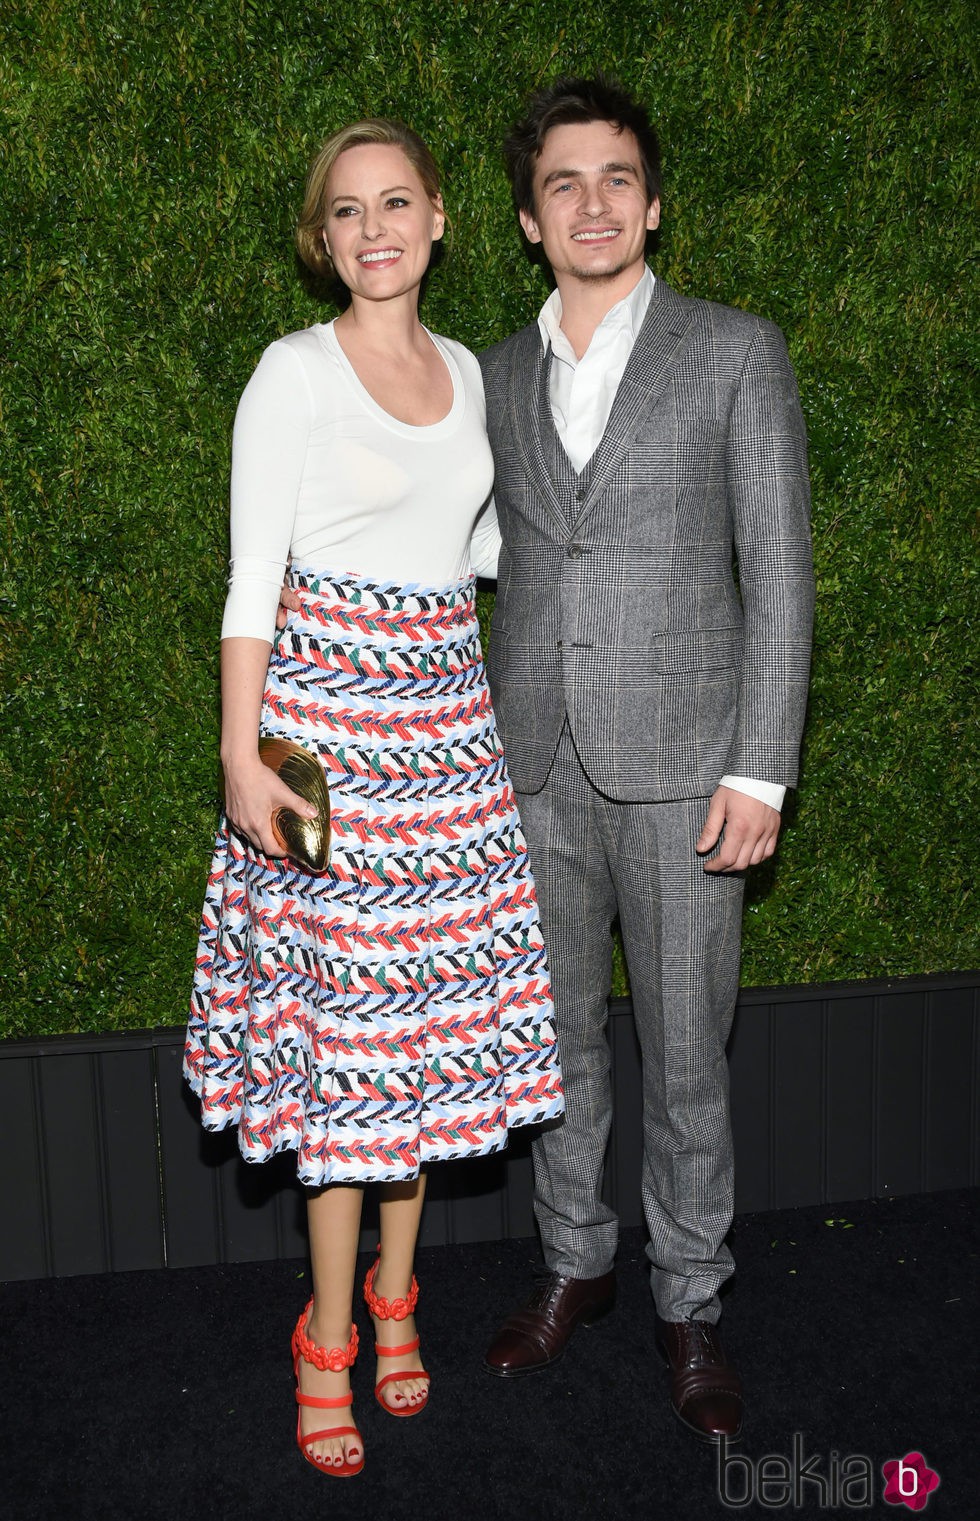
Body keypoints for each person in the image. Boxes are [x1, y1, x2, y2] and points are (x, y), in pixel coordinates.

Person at [184, 118, 563, 1480]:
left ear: (444, 217)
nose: (376, 227)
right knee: (346, 1064)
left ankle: (403, 1300)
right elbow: (249, 584)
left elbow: (476, 550)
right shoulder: (291, 372)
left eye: (396, 201)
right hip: (326, 755)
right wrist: (243, 760)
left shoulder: (468, 372)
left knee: (426, 1045)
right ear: (324, 237)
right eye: (347, 211)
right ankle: (328, 1335)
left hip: (450, 751)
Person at [475, 77, 814, 1441]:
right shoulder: (490, 374)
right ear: (526, 218)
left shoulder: (736, 351)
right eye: (565, 182)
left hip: (687, 774)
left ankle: (691, 1301)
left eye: (618, 177)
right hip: (531, 769)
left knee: (683, 1059)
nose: (594, 203)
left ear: (653, 202)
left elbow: (780, 574)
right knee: (555, 1051)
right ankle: (577, 1265)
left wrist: (763, 767)